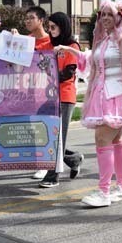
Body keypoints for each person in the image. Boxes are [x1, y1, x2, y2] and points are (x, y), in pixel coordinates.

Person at [55, 0, 122, 207]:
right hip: (101, 94)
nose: (105, 18)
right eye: (102, 14)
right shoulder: (102, 41)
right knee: (117, 140)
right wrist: (67, 50)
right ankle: (121, 187)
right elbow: (90, 60)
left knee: (102, 139)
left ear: (119, 17)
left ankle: (104, 191)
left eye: (109, 14)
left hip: (119, 95)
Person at [39, 12, 84, 188]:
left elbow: (68, 73)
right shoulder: (48, 44)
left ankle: (53, 175)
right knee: (48, 137)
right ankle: (73, 159)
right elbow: (30, 49)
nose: (50, 31)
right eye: (48, 27)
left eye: (53, 27)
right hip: (47, 96)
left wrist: (47, 75)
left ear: (63, 26)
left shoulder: (71, 46)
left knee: (57, 138)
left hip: (65, 96)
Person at [24, 6, 55, 180]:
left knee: (46, 128)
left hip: (48, 92)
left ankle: (44, 165)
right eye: (26, 18)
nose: (27, 21)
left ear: (41, 20)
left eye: (31, 18)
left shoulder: (51, 41)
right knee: (34, 129)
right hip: (29, 91)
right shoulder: (24, 41)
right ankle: (71, 158)